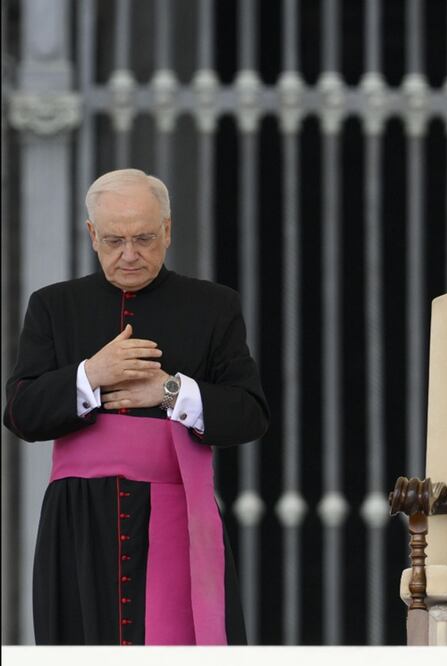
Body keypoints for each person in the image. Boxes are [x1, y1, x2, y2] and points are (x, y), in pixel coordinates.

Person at [4, 169, 269, 645]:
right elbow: (21, 413)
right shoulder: (52, 306)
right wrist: (90, 374)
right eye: (114, 240)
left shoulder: (214, 306)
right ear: (91, 235)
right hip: (77, 523)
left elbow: (249, 412)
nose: (130, 254)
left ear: (167, 230)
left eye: (145, 238)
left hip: (174, 515)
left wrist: (171, 393)